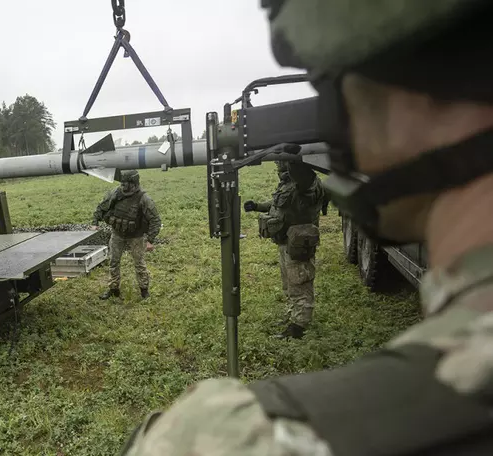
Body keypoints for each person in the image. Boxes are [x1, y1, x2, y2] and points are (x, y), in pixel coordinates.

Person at [120, 1, 493, 454]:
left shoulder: (216, 438)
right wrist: (261, 205)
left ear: (421, 92)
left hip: (296, 239)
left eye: (331, 88)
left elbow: (298, 195)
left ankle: (300, 322)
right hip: (288, 235)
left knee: (300, 284)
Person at [244, 159, 325, 339]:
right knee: (289, 284)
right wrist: (257, 206)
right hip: (286, 242)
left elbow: (303, 177)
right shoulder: (288, 183)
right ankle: (293, 316)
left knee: (300, 283)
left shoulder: (306, 182)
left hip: (298, 243)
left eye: (281, 160)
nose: (277, 163)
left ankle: (299, 327)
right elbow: (278, 205)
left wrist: (295, 158)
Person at [92, 170, 161, 300]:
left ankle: (144, 290)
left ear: (134, 184)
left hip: (136, 236)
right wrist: (95, 221)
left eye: (126, 184)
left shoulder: (144, 199)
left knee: (139, 263)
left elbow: (155, 220)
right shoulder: (116, 193)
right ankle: (113, 289)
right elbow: (102, 206)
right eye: (122, 183)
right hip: (117, 234)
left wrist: (150, 240)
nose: (123, 186)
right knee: (113, 261)